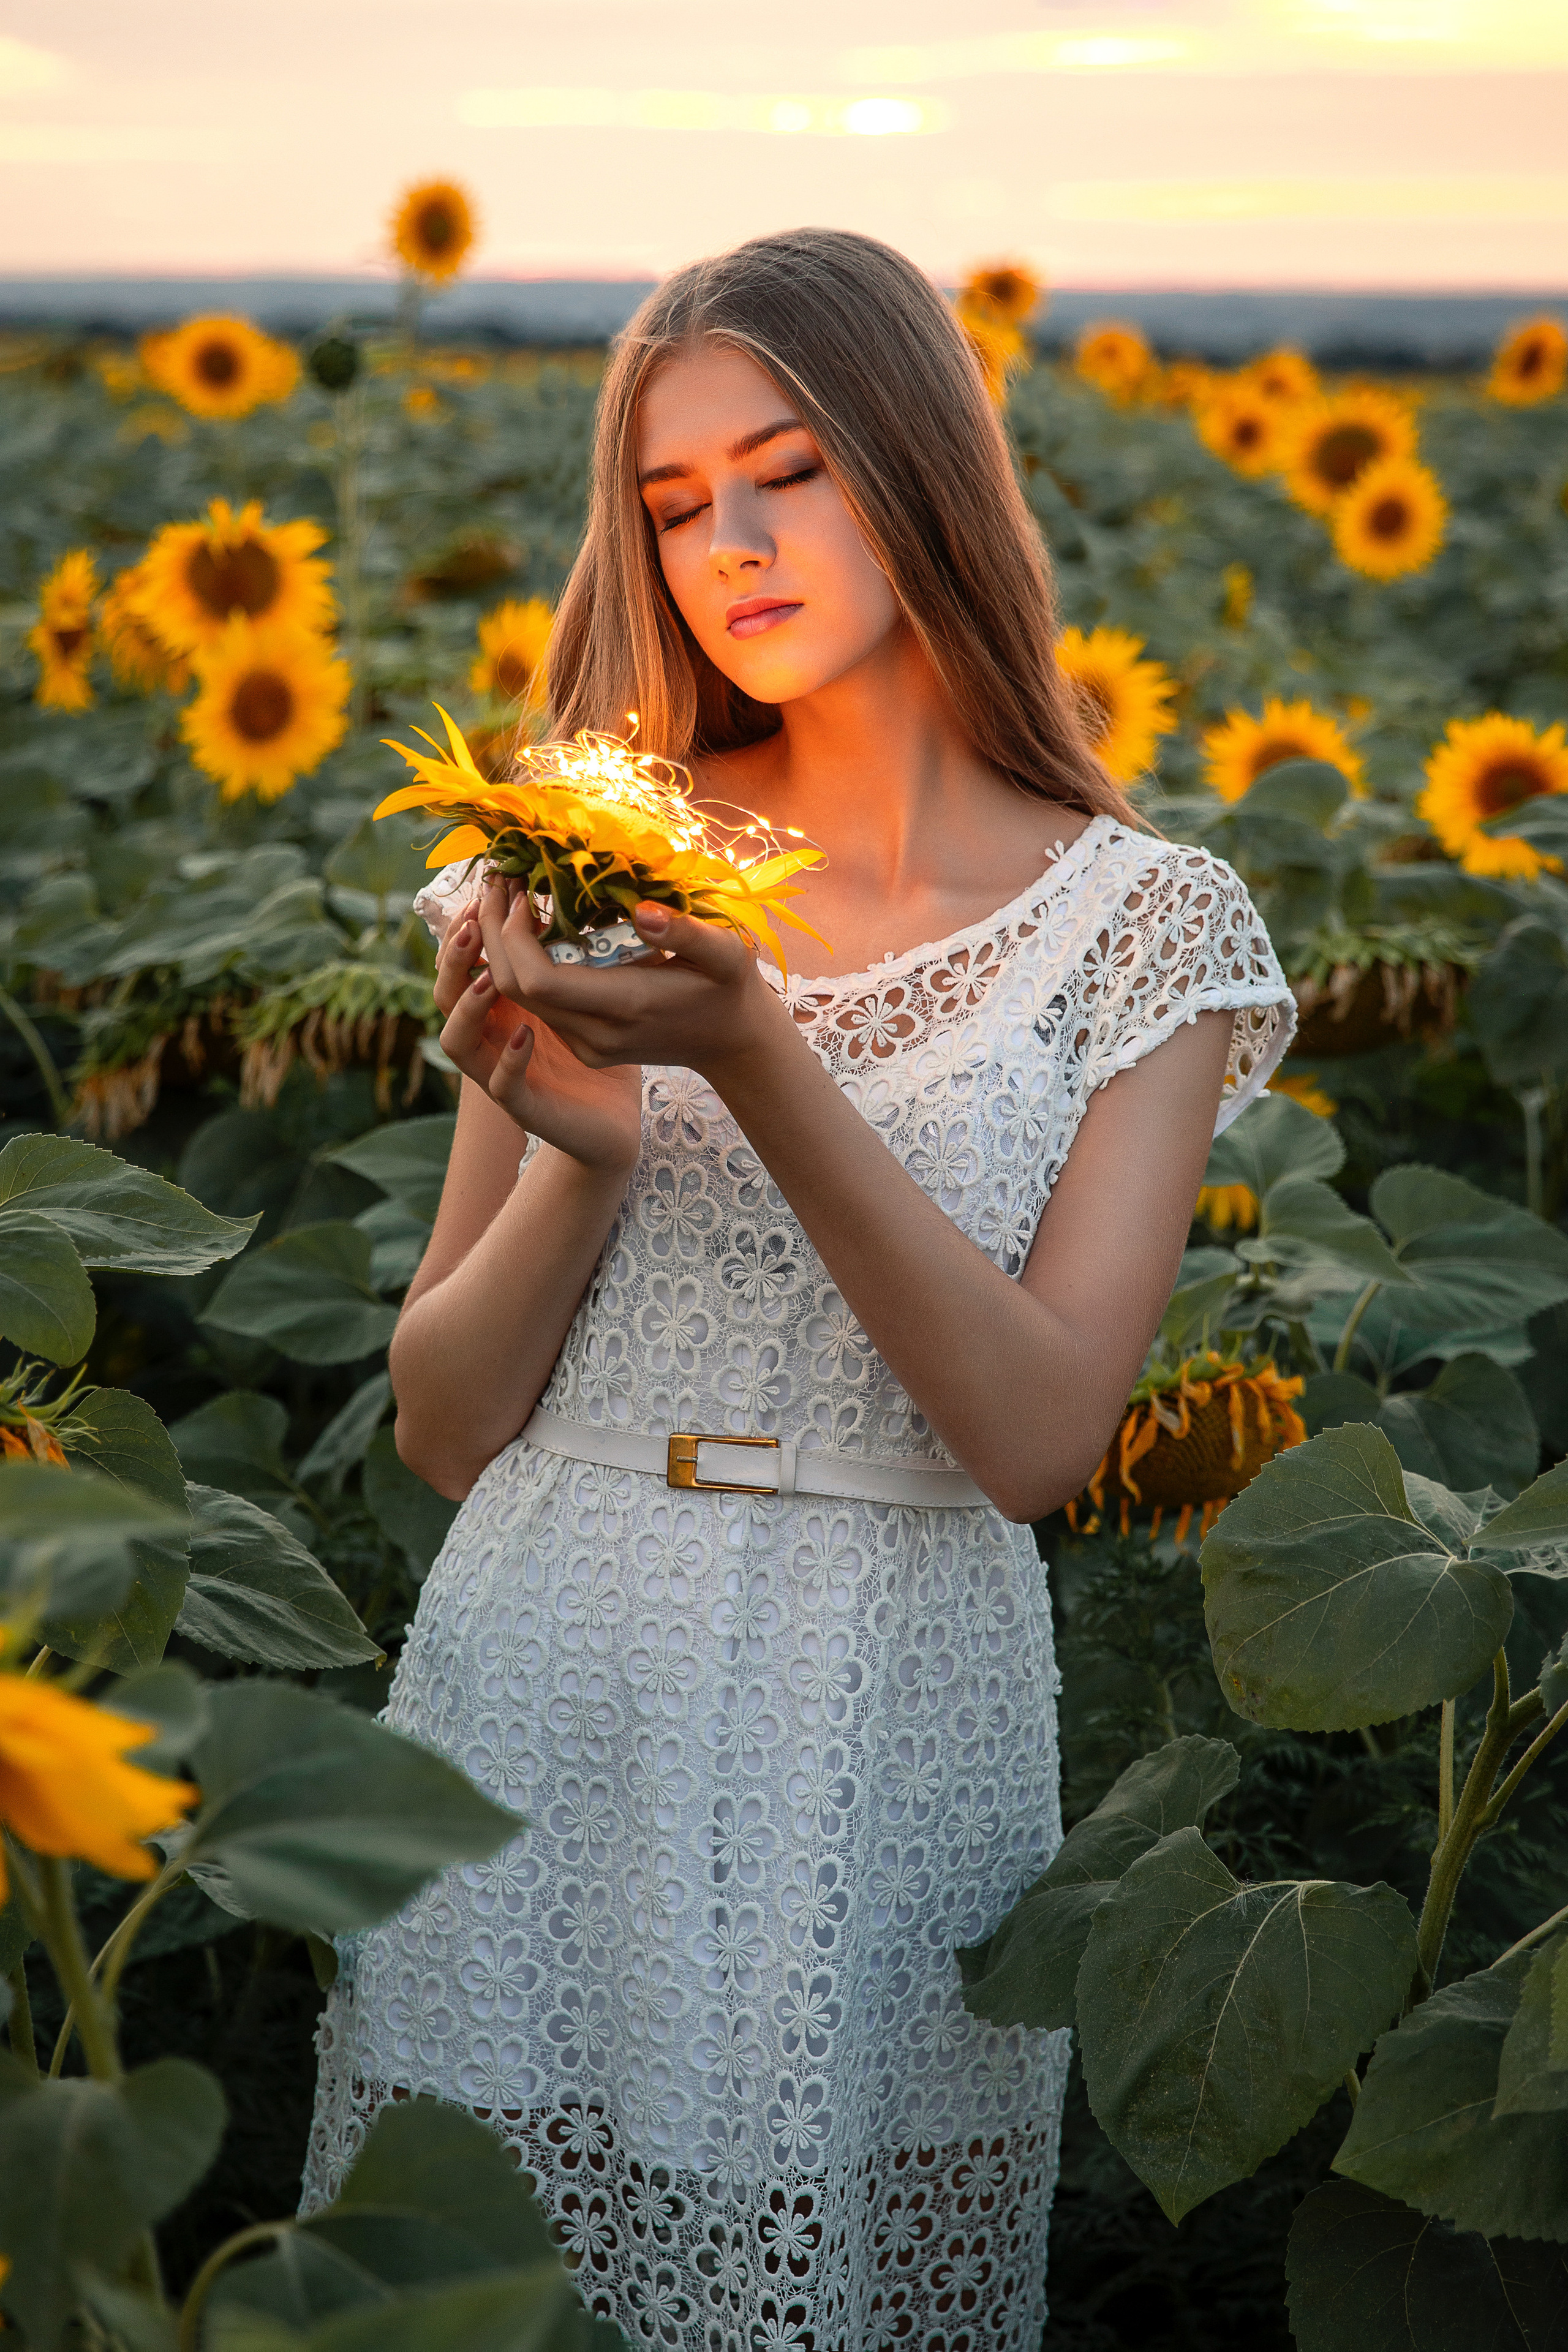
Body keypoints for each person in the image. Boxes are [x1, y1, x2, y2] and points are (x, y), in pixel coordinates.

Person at [303, 227, 1294, 2348]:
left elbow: (1035, 1440)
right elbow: (444, 1423)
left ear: (920, 466)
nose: (727, 547)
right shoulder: (586, 852)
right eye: (673, 510)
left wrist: (752, 1050)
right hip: (548, 1646)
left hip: (888, 1688)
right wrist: (591, 1160)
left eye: (788, 473)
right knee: (469, 2287)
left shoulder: (1141, 930)